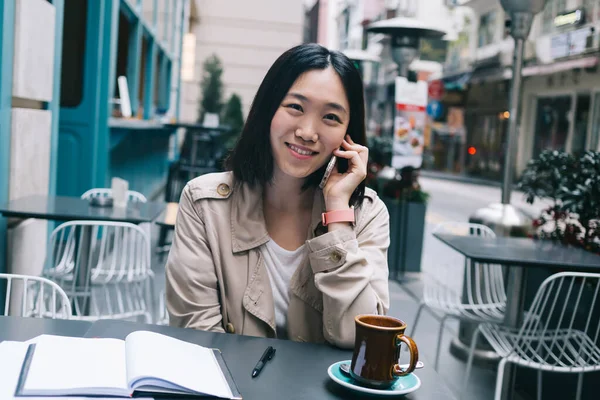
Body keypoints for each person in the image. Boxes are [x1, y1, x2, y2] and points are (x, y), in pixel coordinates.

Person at [165, 43, 390, 349]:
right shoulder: (204, 203)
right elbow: (197, 334)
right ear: (268, 109)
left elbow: (361, 340)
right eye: (295, 107)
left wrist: (338, 212)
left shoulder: (366, 215)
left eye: (331, 118)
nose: (308, 132)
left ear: (348, 135)